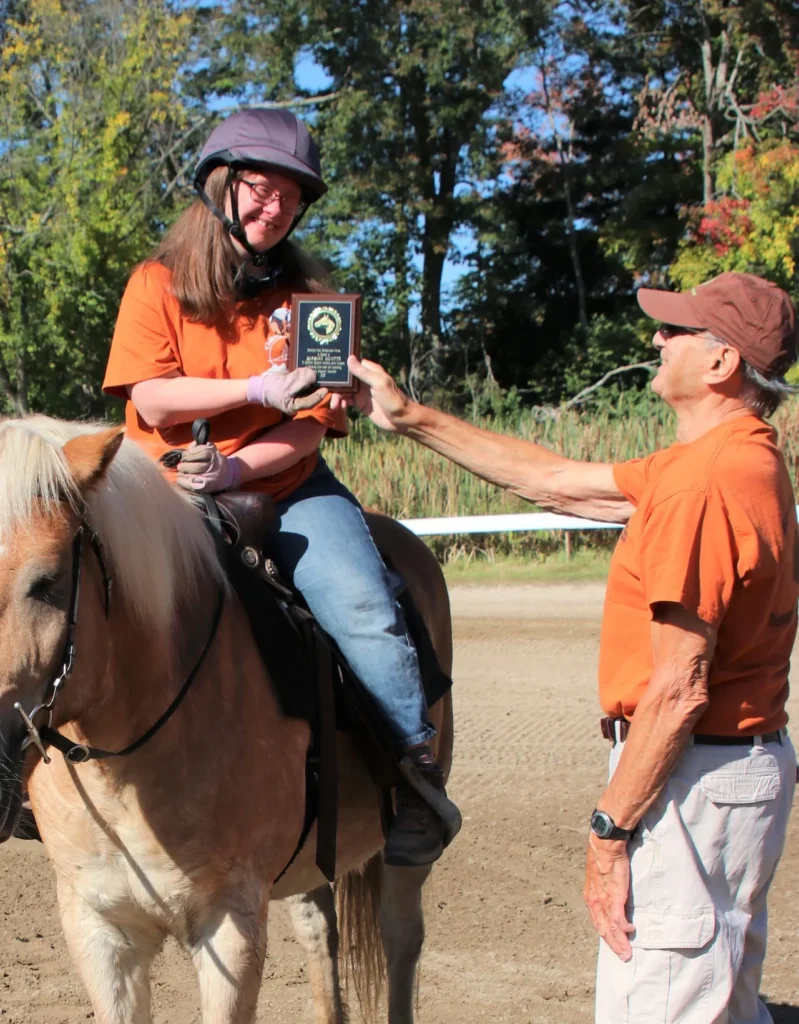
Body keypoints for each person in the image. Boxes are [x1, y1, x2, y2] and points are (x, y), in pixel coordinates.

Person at [349, 271, 799, 1022]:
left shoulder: (704, 484)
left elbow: (677, 687)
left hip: (688, 774)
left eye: (676, 330)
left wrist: (609, 831)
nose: (657, 338)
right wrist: (410, 418)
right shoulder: (731, 459)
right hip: (726, 769)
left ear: (721, 364)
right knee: (714, 994)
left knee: (661, 1003)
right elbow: (556, 481)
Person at [102, 107, 460, 868]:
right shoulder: (155, 283)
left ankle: (414, 777)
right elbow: (153, 399)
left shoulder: (313, 306)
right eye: (262, 191)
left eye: (292, 200)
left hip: (285, 485)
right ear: (220, 188)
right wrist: (260, 388)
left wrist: (236, 468)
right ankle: (26, 769)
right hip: (160, 488)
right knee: (64, 584)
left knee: (363, 603)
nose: (276, 211)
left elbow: (312, 426)